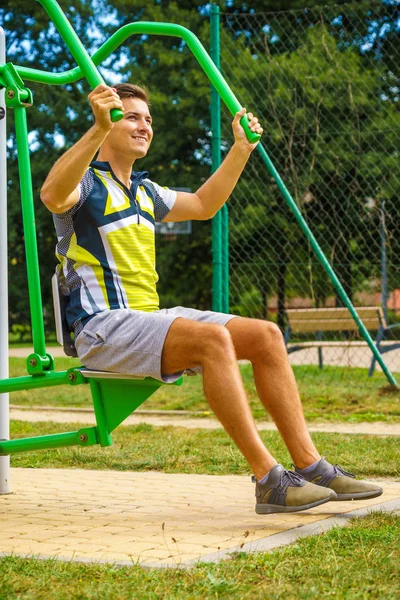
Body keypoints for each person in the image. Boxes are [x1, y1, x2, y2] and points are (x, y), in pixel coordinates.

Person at [41, 83, 382, 514]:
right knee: (211, 340)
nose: (144, 125)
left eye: (148, 119)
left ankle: (311, 466)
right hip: (101, 327)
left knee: (267, 335)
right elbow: (52, 194)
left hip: (147, 319)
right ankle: (269, 481)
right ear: (108, 123)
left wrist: (241, 148)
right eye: (131, 116)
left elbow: (203, 204)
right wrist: (95, 127)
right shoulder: (85, 182)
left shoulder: (146, 192)